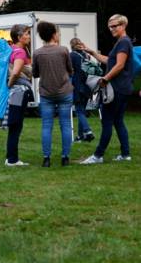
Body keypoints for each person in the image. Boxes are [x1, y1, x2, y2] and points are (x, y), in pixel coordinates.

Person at [81, 14, 133, 164]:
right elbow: (109, 61)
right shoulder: (123, 42)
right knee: (118, 121)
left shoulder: (123, 42)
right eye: (110, 26)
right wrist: (92, 53)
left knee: (108, 121)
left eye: (115, 26)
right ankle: (125, 154)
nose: (111, 29)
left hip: (116, 89)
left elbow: (119, 65)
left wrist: (105, 79)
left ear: (123, 26)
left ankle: (98, 155)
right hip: (124, 88)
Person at [32, 21, 74, 167]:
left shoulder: (37, 53)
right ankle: (65, 157)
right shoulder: (63, 50)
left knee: (46, 126)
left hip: (46, 93)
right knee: (66, 125)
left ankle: (46, 158)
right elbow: (70, 70)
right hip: (64, 92)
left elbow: (35, 73)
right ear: (54, 34)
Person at [4, 24, 33, 167]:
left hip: (16, 92)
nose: (28, 36)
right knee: (16, 124)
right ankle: (12, 159)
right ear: (19, 37)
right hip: (19, 91)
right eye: (27, 34)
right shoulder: (20, 52)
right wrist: (10, 84)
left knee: (14, 124)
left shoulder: (12, 50)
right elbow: (15, 72)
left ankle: (10, 156)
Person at [69, 38, 95, 143]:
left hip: (78, 86)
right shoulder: (86, 55)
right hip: (87, 86)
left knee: (79, 110)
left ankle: (87, 131)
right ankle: (80, 136)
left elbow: (69, 70)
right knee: (82, 110)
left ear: (72, 45)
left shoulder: (72, 55)